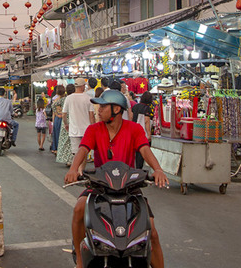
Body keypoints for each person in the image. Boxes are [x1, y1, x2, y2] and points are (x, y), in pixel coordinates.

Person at [64, 90, 168, 268]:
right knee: (79, 209)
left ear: (116, 110)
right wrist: (74, 169)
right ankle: (80, 262)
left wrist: (157, 169)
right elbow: (83, 149)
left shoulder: (134, 129)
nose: (99, 110)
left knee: (152, 231)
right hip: (99, 185)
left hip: (129, 187)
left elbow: (144, 149)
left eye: (103, 107)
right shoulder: (94, 129)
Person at [62, 78, 96, 171]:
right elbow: (91, 115)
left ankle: (76, 171)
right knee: (84, 151)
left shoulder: (69, 98)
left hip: (74, 129)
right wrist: (93, 128)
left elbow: (64, 114)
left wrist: (66, 124)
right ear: (83, 86)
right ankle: (81, 171)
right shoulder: (88, 99)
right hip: (86, 130)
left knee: (76, 153)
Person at [131, 91, 155, 169]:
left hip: (133, 130)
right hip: (141, 132)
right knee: (140, 151)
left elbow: (131, 117)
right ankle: (139, 169)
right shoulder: (147, 108)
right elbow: (146, 121)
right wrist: (148, 134)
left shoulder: (135, 106)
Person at [55, 84, 76, 165]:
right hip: (74, 121)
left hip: (65, 122)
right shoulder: (75, 98)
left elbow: (54, 105)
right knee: (73, 142)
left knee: (65, 143)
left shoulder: (65, 99)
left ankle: (67, 160)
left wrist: (58, 113)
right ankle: (72, 160)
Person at [50, 85, 66, 154]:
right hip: (63, 117)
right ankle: (61, 149)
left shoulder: (55, 99)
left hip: (57, 118)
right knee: (63, 134)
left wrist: (56, 114)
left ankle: (55, 148)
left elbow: (53, 108)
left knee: (56, 133)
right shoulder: (65, 99)